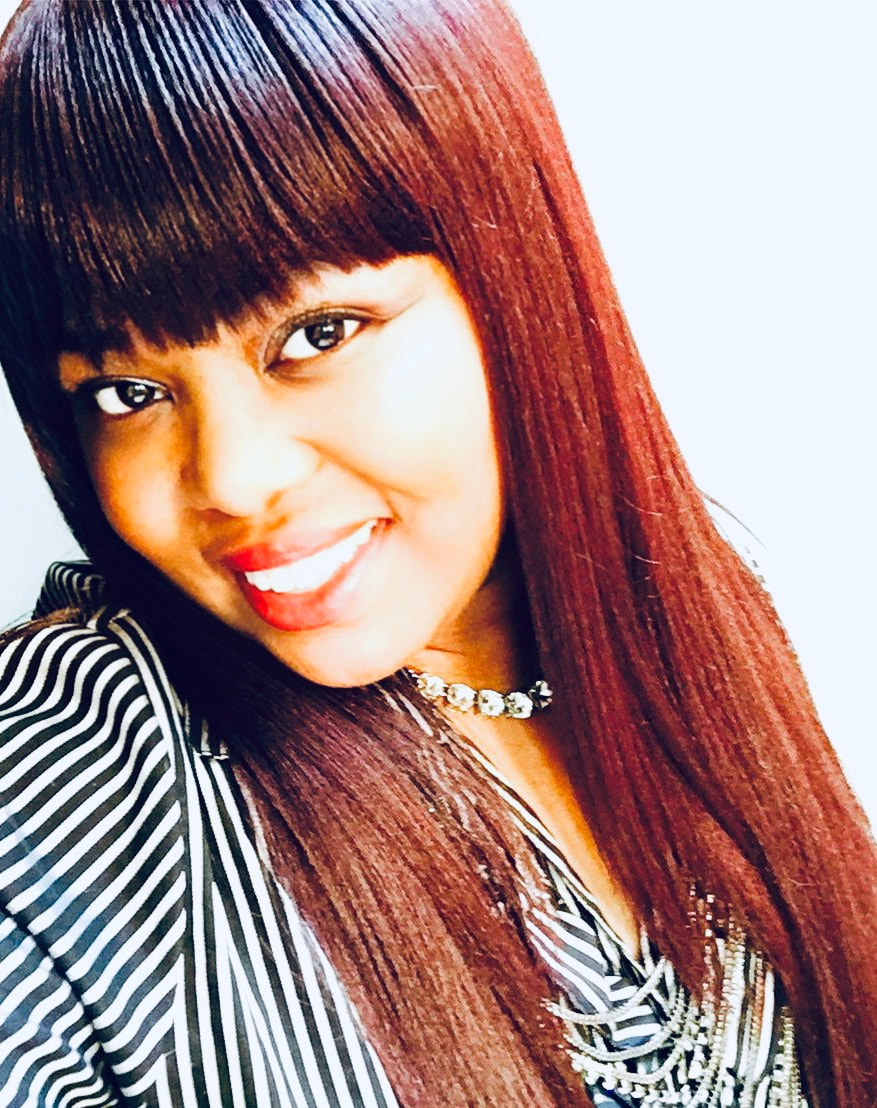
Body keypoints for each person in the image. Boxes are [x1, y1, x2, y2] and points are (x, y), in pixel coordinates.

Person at [0, 1, 873, 1105]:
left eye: (316, 334)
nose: (230, 479)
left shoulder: (705, 625)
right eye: (126, 393)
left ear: (517, 284)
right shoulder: (75, 757)